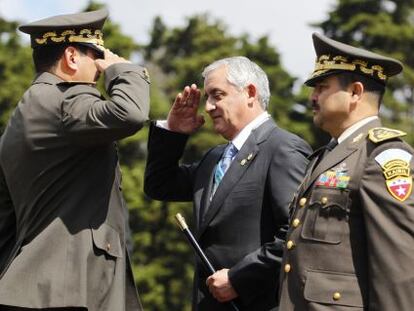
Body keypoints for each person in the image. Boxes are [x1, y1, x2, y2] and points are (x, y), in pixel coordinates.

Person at [0, 8, 150, 311]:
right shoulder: (67, 99)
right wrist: (124, 70)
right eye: (96, 58)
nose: (99, 69)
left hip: (31, 287)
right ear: (71, 57)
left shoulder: (22, 116)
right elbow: (130, 113)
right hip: (70, 291)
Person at [144, 56, 311, 310]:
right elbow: (159, 184)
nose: (208, 107)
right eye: (207, 98)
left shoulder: (282, 148)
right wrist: (173, 132)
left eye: (217, 95)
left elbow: (295, 234)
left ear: (250, 93)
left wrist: (238, 278)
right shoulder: (215, 157)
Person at [279, 32, 414, 310]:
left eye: (322, 87)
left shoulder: (382, 157)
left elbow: (398, 270)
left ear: (355, 92)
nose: (312, 97)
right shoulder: (325, 156)